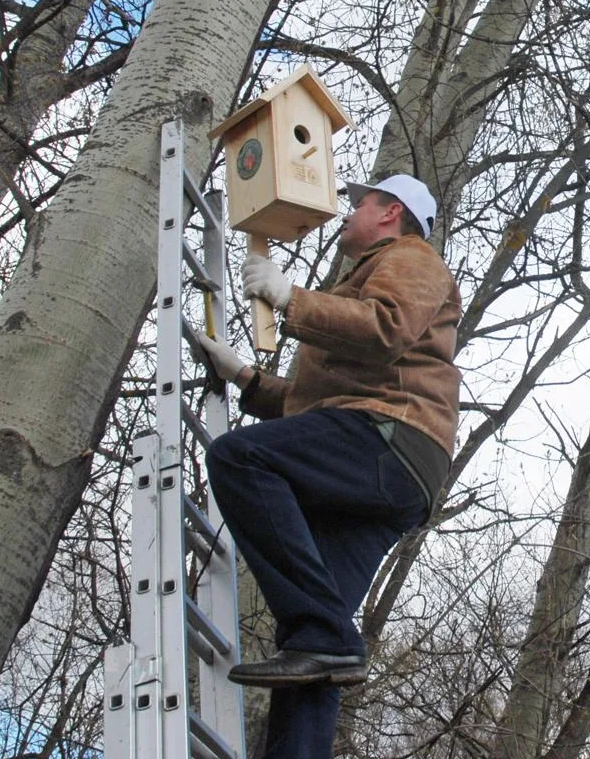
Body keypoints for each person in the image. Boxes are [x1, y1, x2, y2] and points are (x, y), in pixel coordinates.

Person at [192, 174, 459, 758]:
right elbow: (316, 408)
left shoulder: (413, 257)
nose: (347, 213)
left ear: (389, 213)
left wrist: (292, 298)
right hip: (386, 463)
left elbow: (386, 329)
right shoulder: (362, 277)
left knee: (240, 458)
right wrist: (243, 376)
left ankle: (329, 635)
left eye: (358, 204)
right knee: (315, 654)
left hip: (390, 438)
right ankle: (324, 655)